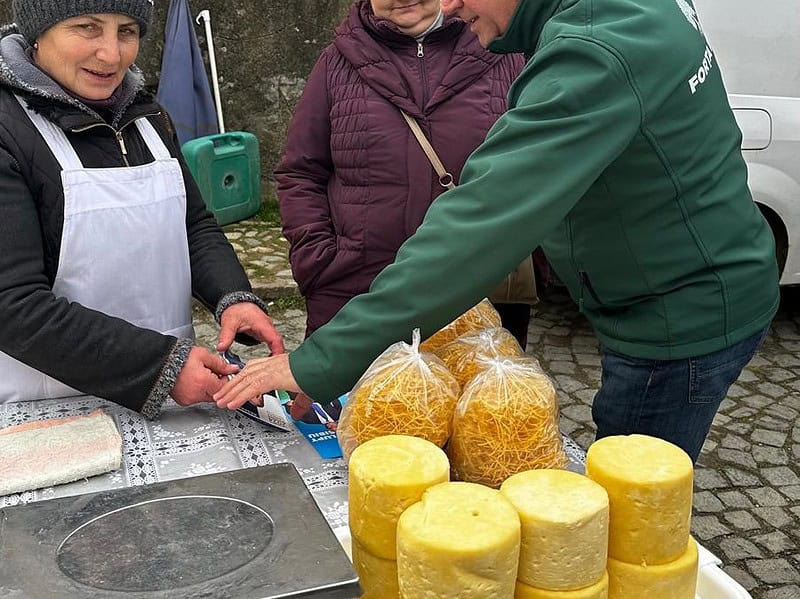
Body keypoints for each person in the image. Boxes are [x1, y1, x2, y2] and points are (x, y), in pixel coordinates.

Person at [215, 0, 780, 463]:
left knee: (632, 503)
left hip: (676, 319)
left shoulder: (593, 48)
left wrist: (319, 362)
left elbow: (482, 222)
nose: (453, 5)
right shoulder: (604, 19)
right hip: (677, 288)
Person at [0, 0, 284, 418]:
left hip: (169, 397)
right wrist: (159, 367)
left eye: (127, 31)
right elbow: (13, 304)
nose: (112, 54)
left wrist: (232, 296)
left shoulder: (148, 118)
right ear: (38, 32)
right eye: (87, 27)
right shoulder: (10, 130)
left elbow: (193, 225)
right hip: (49, 408)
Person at [275, 0, 532, 345]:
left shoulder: (503, 55)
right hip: (357, 296)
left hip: (479, 294)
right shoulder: (336, 63)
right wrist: (317, 261)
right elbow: (301, 173)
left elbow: (539, 163)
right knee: (362, 400)